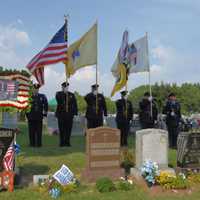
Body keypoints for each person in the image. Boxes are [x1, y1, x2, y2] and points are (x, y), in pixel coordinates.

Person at [55, 82, 78, 147]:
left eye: (66, 87)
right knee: (61, 129)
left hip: (69, 115)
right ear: (62, 87)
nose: (65, 88)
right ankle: (62, 142)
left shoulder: (71, 95)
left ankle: (67, 142)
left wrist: (75, 113)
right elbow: (58, 100)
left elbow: (75, 104)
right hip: (61, 115)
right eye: (64, 87)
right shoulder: (58, 94)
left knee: (68, 129)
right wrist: (64, 93)